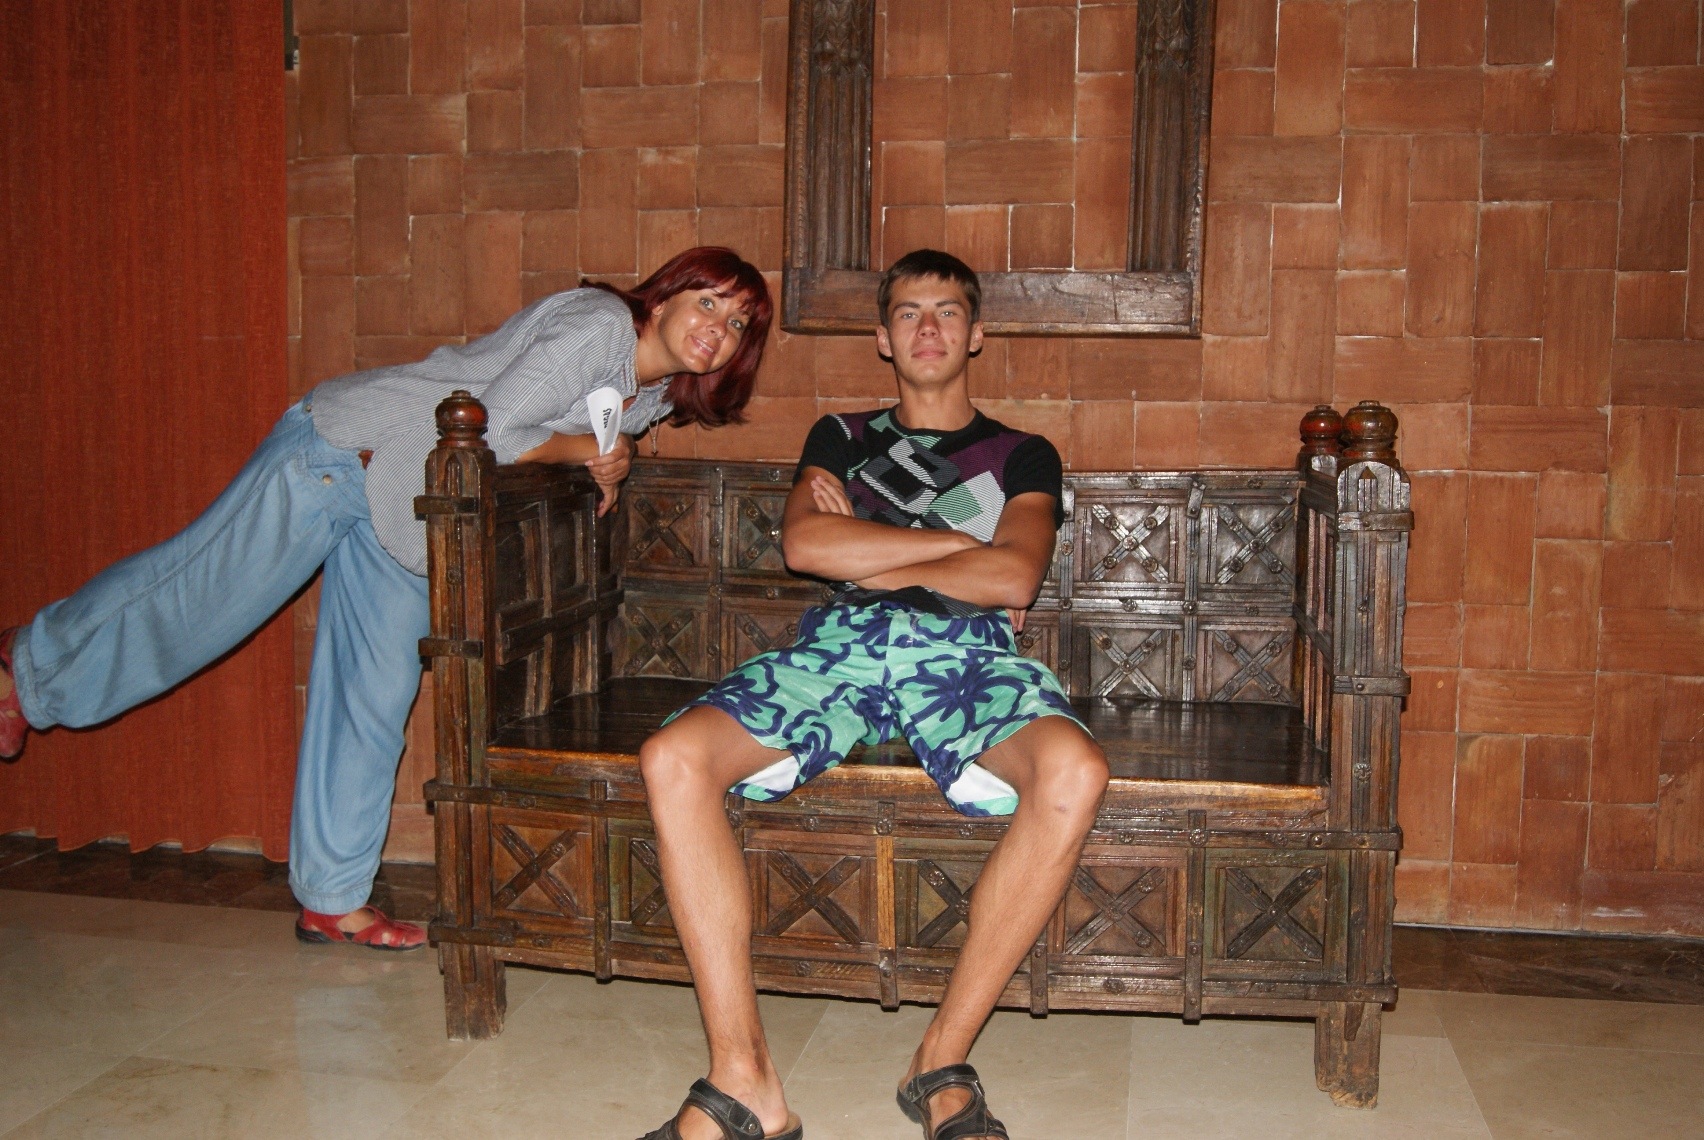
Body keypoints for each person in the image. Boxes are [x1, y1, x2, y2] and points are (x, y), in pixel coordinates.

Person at [0, 246, 773, 952]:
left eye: (738, 323)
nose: (719, 328)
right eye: (708, 301)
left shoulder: (649, 396)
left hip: (408, 515)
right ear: (663, 297)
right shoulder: (599, 327)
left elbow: (545, 449)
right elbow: (491, 431)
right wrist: (597, 453)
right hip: (345, 455)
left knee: (373, 693)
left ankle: (332, 897)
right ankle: (25, 665)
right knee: (199, 601)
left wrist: (606, 456)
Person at [635, 250, 1108, 1140]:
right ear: (883, 337)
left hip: (964, 653)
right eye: (907, 313)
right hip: (840, 649)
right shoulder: (841, 436)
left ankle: (940, 1060)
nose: (928, 328)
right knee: (673, 757)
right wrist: (953, 550)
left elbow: (1014, 576)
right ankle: (744, 1082)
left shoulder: (1023, 453)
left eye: (947, 311)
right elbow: (807, 550)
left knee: (1075, 771)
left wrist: (871, 544)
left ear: (976, 333)